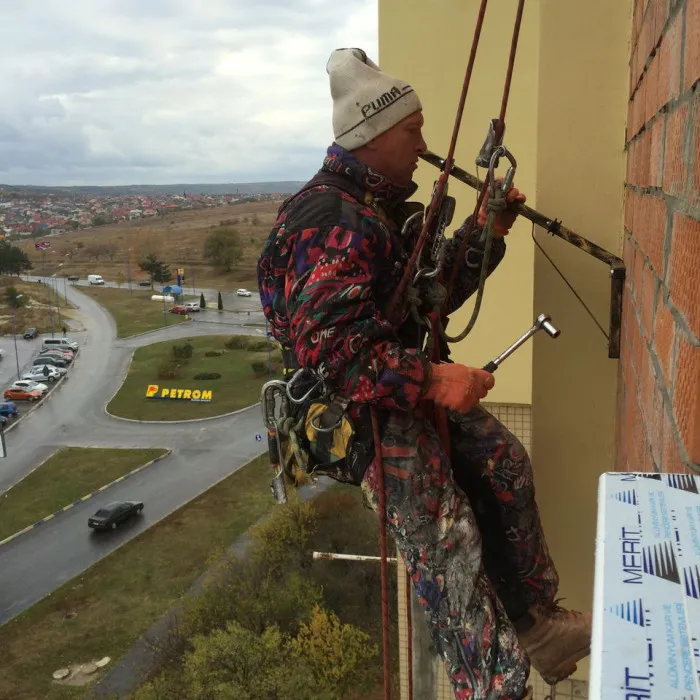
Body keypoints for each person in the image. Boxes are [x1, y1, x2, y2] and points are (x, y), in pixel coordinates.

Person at [258, 48, 590, 700]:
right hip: (349, 411)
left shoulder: (375, 208)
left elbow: (428, 297)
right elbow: (334, 351)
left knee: (501, 463)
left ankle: (536, 628)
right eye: (412, 130)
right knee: (446, 536)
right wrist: (435, 381)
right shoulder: (328, 221)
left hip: (390, 386)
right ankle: (494, 688)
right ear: (375, 133)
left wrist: (486, 229)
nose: (422, 144)